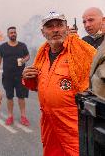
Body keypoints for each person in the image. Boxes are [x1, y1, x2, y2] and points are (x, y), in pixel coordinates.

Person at [22, 11, 96, 156]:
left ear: (67, 28)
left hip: (73, 124)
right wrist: (27, 77)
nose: (55, 29)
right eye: (50, 26)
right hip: (49, 125)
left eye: (59, 25)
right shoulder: (42, 54)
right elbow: (39, 85)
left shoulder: (80, 51)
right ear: (43, 32)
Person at [0, 26, 30, 126]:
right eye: (11, 33)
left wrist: (24, 60)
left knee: (21, 97)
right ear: (8, 35)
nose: (13, 34)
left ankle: (23, 116)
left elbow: (27, 56)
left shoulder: (22, 46)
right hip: (8, 76)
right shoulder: (3, 47)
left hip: (20, 76)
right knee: (9, 97)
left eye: (14, 32)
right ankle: (10, 116)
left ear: (16, 33)